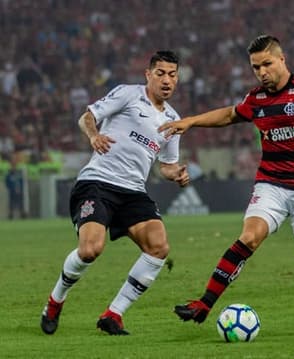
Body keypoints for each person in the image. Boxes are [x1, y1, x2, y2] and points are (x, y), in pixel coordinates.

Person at [158, 35, 294, 334]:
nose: (261, 72)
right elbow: (230, 115)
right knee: (249, 236)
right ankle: (204, 304)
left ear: (282, 60)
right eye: (256, 67)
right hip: (271, 183)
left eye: (267, 64)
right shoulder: (256, 99)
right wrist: (191, 121)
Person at [40, 51, 190, 335]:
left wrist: (177, 173)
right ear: (148, 75)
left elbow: (165, 166)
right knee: (90, 249)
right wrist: (94, 135)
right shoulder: (129, 95)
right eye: (160, 73)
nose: (167, 80)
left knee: (159, 247)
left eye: (172, 74)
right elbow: (86, 118)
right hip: (98, 183)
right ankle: (55, 301)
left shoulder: (173, 120)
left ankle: (114, 314)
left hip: (133, 191)